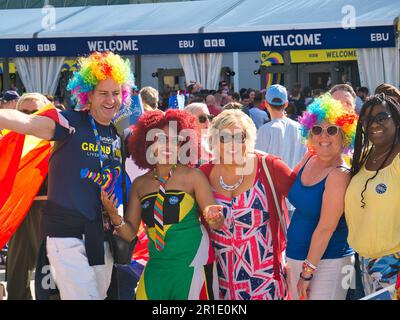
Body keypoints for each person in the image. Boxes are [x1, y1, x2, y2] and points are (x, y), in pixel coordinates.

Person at [0, 51, 134, 300]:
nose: (111, 100)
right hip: (64, 234)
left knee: (97, 296)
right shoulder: (68, 121)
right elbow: (27, 123)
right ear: (89, 96)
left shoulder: (117, 136)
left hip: (101, 236)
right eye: (103, 93)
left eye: (116, 93)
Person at [101, 109, 221, 300]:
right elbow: (130, 233)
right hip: (156, 265)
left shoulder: (193, 176)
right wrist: (114, 215)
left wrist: (214, 215)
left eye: (174, 139)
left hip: (192, 262)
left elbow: (216, 222)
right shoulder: (140, 184)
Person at [199, 109, 298, 300]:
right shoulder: (204, 173)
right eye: (224, 138)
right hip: (220, 282)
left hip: (265, 281)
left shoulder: (269, 167)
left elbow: (305, 203)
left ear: (249, 139)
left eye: (239, 137)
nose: (232, 145)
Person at [286, 94, 357, 300]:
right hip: (296, 257)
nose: (323, 136)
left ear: (345, 136)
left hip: (330, 262)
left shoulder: (339, 174)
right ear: (310, 133)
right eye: (317, 129)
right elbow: (288, 185)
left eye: (332, 130)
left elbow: (326, 228)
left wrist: (307, 273)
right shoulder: (309, 157)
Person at [345, 93, 400, 298]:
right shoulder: (365, 155)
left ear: (396, 119)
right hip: (363, 263)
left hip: (394, 264)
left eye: (381, 117)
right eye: (367, 120)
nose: (374, 124)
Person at [5, 93, 51, 300]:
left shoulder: (58, 141)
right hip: (18, 215)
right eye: (24, 113)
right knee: (17, 277)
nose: (30, 118)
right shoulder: (7, 141)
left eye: (36, 112)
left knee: (52, 278)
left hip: (52, 214)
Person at [256, 84, 307, 219]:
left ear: (266, 103)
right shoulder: (300, 128)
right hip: (295, 195)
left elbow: (257, 165)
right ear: (286, 104)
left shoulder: (265, 130)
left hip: (271, 196)